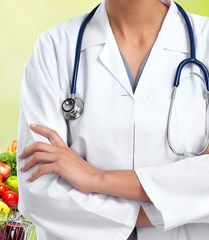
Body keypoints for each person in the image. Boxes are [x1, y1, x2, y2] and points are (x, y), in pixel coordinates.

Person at [17, 0, 209, 239]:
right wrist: (173, 209)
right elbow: (39, 194)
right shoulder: (55, 47)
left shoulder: (205, 40)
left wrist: (96, 178)